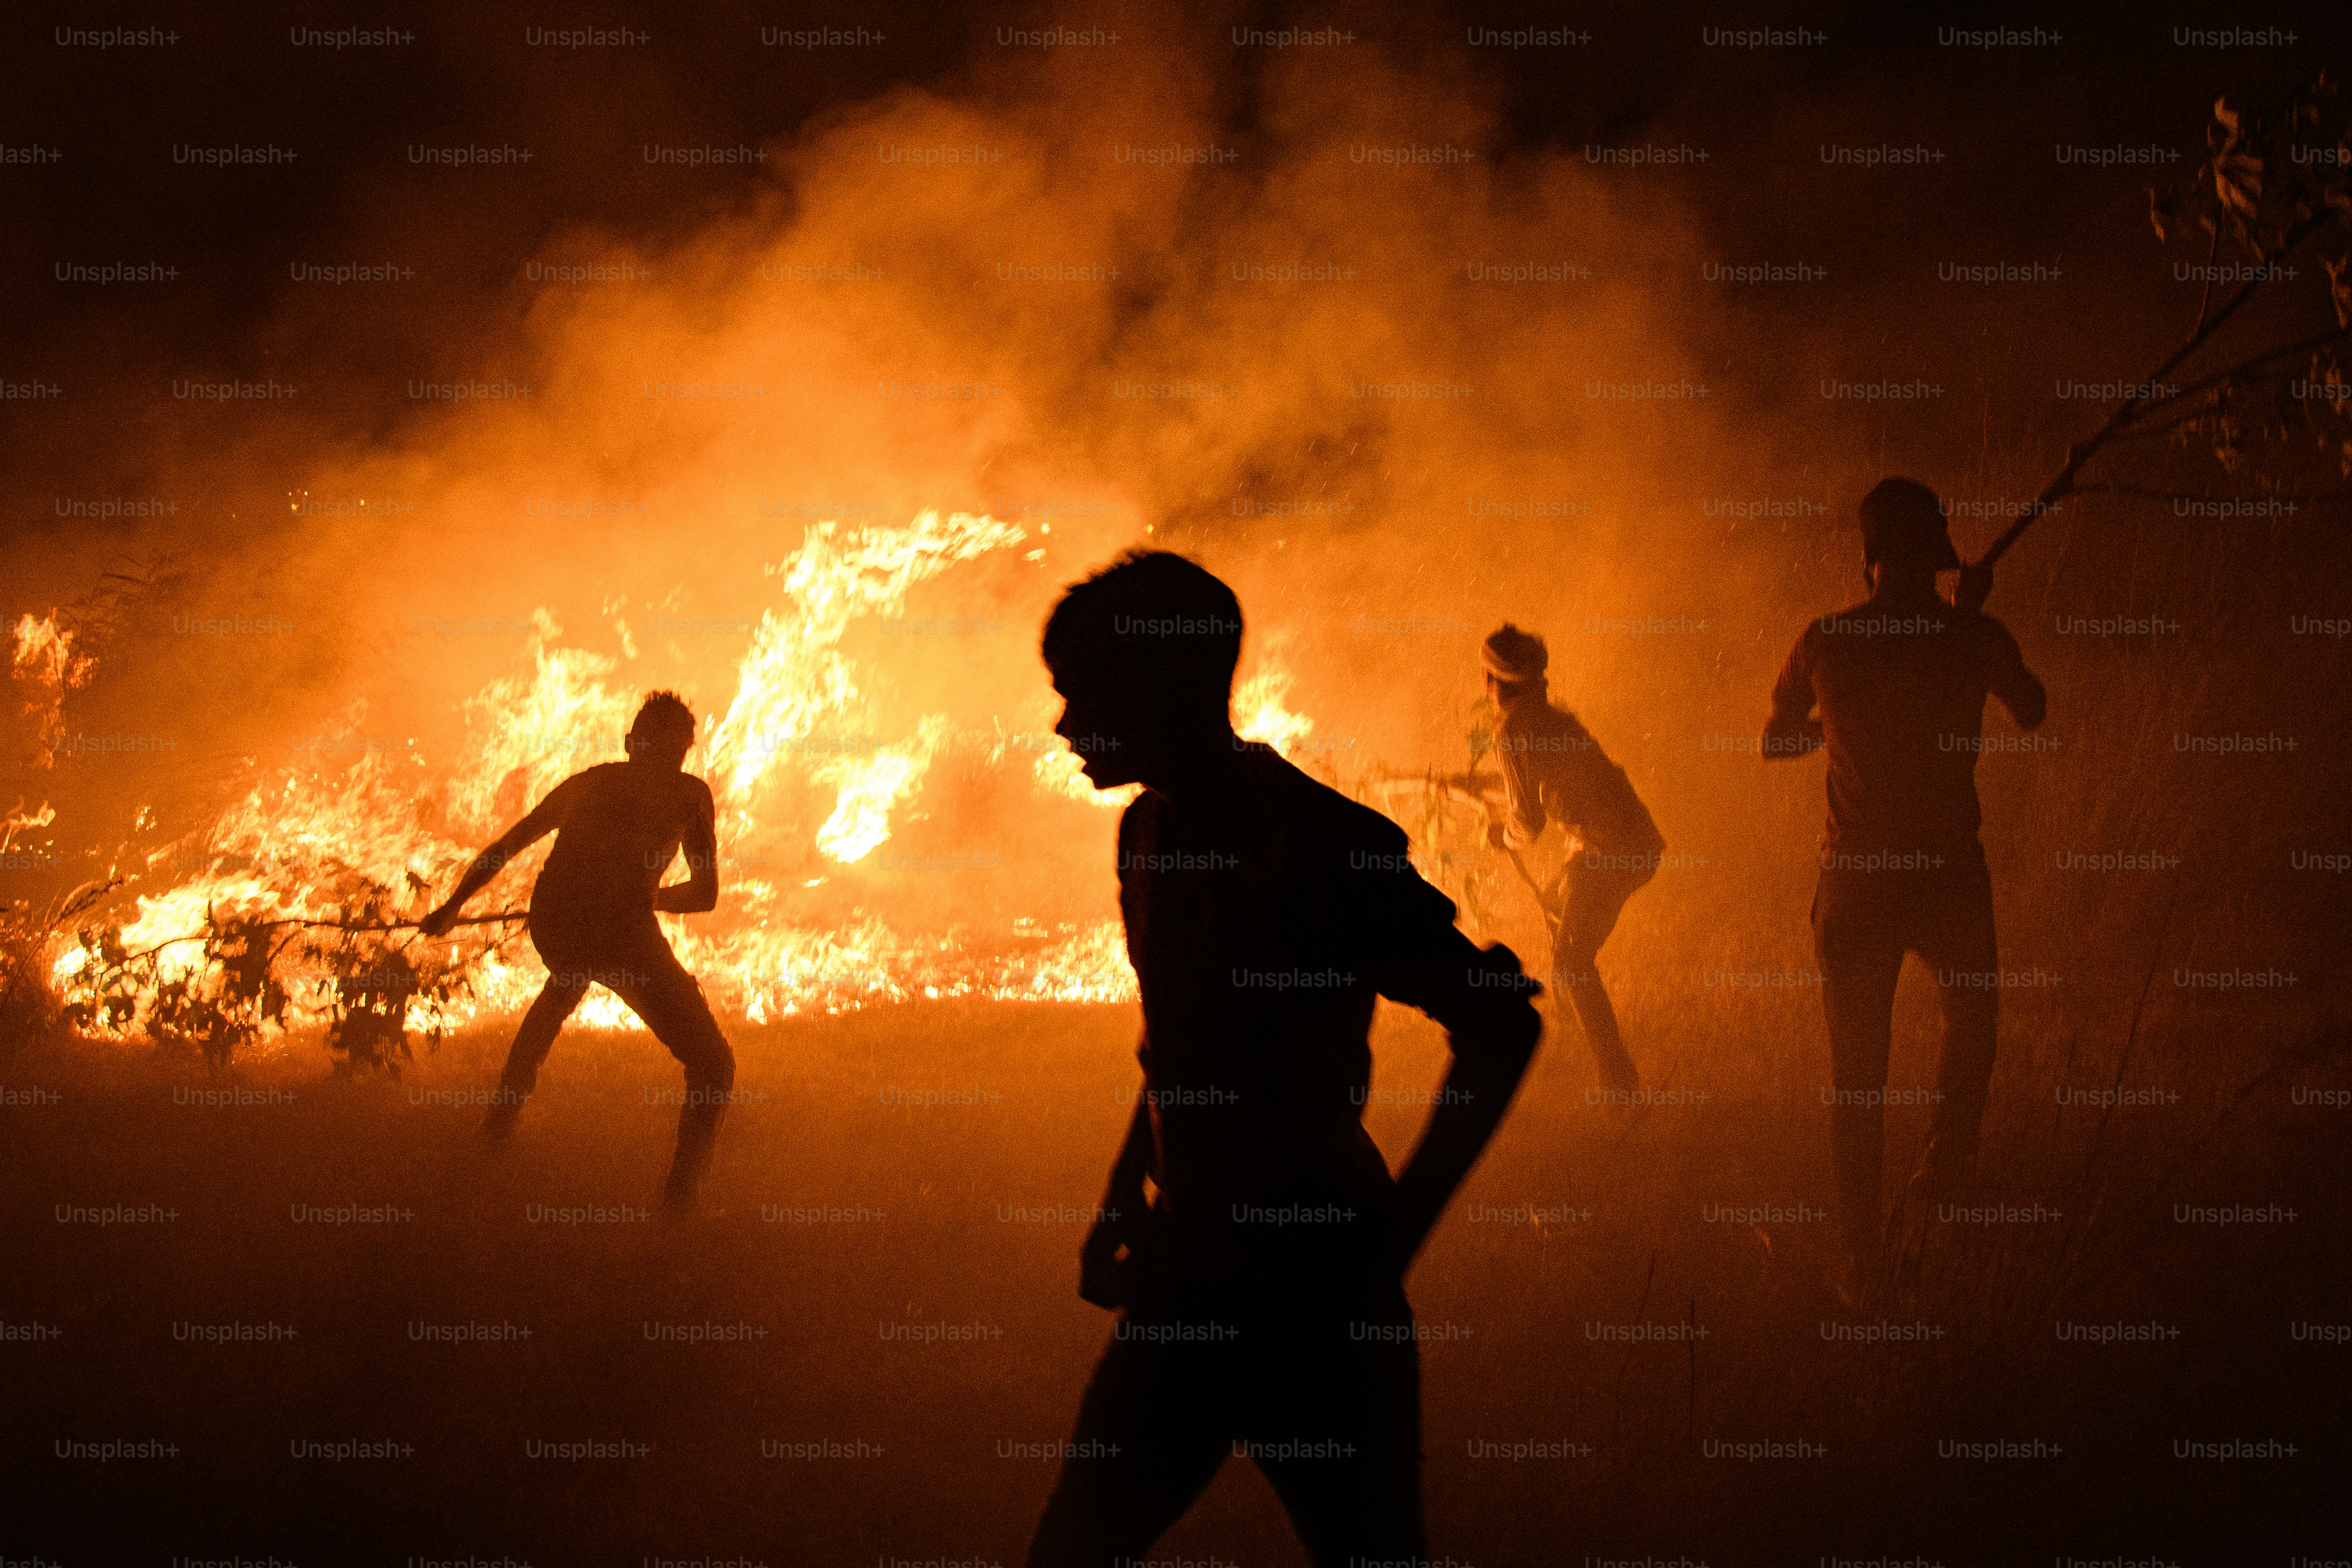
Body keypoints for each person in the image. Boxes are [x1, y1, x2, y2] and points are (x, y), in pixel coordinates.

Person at [1026, 552, 1544, 1568]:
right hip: (1186, 1282)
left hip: (1317, 1298)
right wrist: (1127, 1193)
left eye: (1082, 692)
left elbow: (1500, 1023)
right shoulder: (1148, 831)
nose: (1062, 724)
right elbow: (1177, 1039)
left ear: (1162, 688)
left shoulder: (1317, 845)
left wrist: (1390, 1241)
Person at [1760, 478, 2047, 1300]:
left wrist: (1839, 726)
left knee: (1858, 1074)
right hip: (1948, 875)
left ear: (1869, 558)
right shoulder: (1972, 635)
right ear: (1938, 556)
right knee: (1975, 1019)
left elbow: (1774, 743)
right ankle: (1944, 1163)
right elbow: (2031, 708)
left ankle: (1860, 1257)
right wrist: (1972, 622)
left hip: (1854, 881)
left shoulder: (1824, 640)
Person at [418, 691, 736, 1212]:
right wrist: (650, 898)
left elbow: (509, 843)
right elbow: (704, 897)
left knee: (568, 977)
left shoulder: (592, 781)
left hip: (556, 925)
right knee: (713, 1064)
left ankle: (499, 1122)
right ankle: (680, 1202)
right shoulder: (688, 794)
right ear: (683, 750)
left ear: (632, 742)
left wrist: (454, 906)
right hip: (615, 936)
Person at [1480, 624, 1666, 1096]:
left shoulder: (1512, 733)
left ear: (1495, 684)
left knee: (1570, 960)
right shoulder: (1554, 722)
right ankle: (1571, 1039)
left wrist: (1499, 835)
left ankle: (1618, 1083)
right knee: (1553, 902)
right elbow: (1553, 790)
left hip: (1611, 851)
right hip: (1630, 841)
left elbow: (1528, 824)